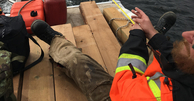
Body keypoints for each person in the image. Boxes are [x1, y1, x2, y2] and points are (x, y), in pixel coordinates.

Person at [31, 7, 194, 101]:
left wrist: (137, 35)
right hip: (149, 87)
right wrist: (152, 34)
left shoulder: (172, 95)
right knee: (163, 54)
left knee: (80, 64)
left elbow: (124, 82)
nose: (186, 34)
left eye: (193, 43)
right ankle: (154, 39)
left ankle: (57, 42)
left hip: (123, 94)